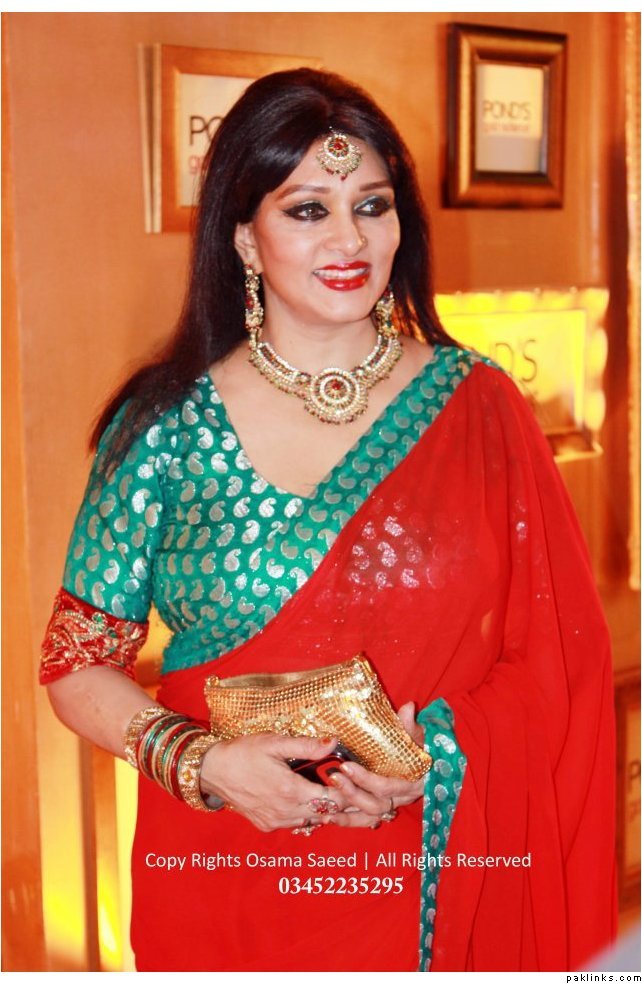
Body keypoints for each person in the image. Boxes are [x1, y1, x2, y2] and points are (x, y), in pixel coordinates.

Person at [40, 68, 617, 972]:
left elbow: (558, 662)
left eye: (372, 206)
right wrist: (202, 764)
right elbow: (77, 662)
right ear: (244, 235)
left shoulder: (480, 409)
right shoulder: (163, 428)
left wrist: (434, 755)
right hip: (221, 866)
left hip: (430, 857)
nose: (349, 239)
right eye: (308, 209)